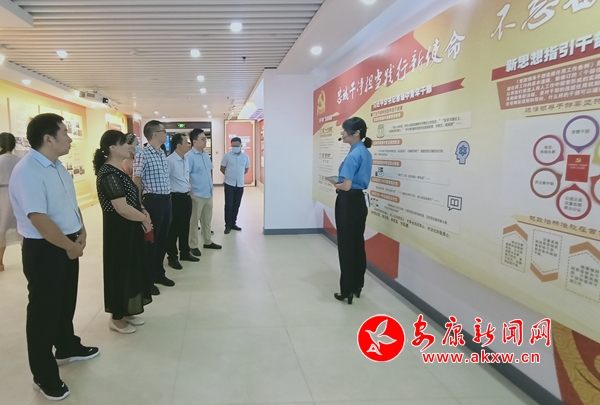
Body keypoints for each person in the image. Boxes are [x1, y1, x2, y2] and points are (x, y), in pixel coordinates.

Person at [9, 113, 99, 401]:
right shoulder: (27, 171)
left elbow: (68, 202)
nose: (70, 138)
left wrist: (81, 230)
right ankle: (43, 375)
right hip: (45, 249)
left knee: (65, 302)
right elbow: (38, 218)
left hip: (67, 241)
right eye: (65, 132)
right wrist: (69, 247)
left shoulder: (57, 166)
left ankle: (66, 346)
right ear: (48, 138)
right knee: (43, 313)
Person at [94, 130, 153, 334]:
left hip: (130, 227)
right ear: (112, 148)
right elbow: (121, 208)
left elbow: (132, 200)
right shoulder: (108, 174)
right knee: (119, 271)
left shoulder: (118, 170)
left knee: (131, 269)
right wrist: (144, 218)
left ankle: (127, 310)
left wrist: (143, 211)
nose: (130, 147)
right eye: (125, 143)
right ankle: (116, 317)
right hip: (119, 230)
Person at [330, 117, 373, 305]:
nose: (342, 133)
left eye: (345, 130)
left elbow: (346, 186)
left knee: (346, 246)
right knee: (357, 244)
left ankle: (346, 289)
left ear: (356, 133)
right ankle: (357, 285)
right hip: (359, 202)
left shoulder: (353, 155)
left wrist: (336, 184)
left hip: (347, 202)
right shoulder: (365, 152)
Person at [133, 120, 175, 295]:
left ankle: (159, 273)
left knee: (163, 239)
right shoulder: (142, 155)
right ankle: (148, 280)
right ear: (155, 134)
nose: (166, 133)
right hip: (153, 202)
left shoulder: (162, 153)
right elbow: (137, 181)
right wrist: (139, 205)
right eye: (163, 131)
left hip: (166, 200)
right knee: (152, 242)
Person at [166, 133, 199, 269]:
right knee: (174, 228)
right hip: (175, 198)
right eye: (187, 142)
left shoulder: (186, 159)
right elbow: (165, 180)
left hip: (186, 197)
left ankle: (185, 252)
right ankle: (172, 257)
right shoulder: (170, 161)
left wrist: (191, 192)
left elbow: (187, 177)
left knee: (185, 226)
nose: (189, 144)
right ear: (179, 145)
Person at [187, 129, 221, 255]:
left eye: (205, 139)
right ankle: (193, 245)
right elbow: (187, 176)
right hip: (196, 195)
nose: (205, 141)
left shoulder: (206, 154)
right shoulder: (189, 157)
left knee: (207, 220)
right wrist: (192, 193)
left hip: (208, 193)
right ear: (194, 141)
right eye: (202, 139)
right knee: (194, 222)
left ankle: (207, 241)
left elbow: (209, 172)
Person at [0, 132, 22, 272]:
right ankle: (26, 256)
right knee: (22, 228)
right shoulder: (19, 160)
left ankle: (0, 262)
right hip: (18, 195)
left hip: (2, 196)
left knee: (1, 229)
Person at [220, 137, 250, 234]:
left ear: (241, 145)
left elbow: (246, 169)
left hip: (240, 184)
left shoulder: (245, 157)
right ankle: (228, 225)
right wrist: (230, 175)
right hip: (229, 184)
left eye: (237, 146)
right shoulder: (227, 156)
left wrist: (238, 175)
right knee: (228, 205)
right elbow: (222, 168)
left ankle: (233, 223)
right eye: (233, 146)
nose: (235, 147)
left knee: (236, 205)